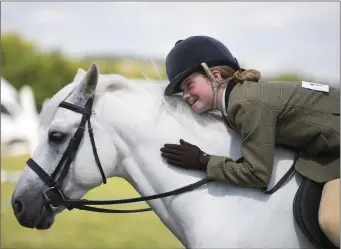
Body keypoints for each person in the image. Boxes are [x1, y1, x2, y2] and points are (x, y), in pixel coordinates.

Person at [160, 35, 340, 247]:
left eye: (189, 85)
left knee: (331, 220)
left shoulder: (246, 105)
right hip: (329, 151)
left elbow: (258, 174)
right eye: (182, 91)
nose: (186, 96)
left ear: (214, 75)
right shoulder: (239, 99)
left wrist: (203, 161)